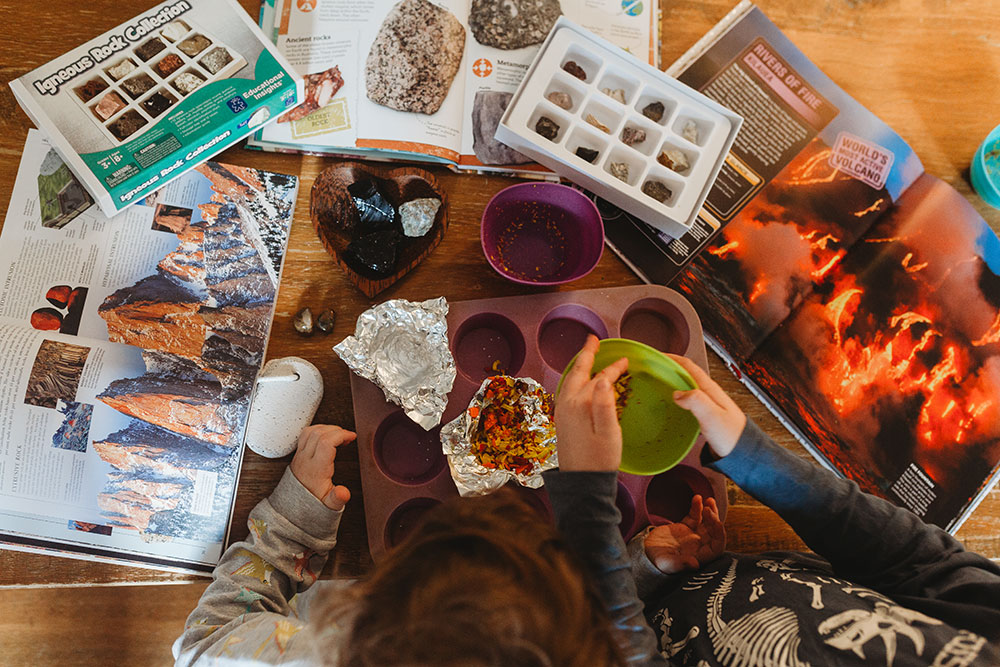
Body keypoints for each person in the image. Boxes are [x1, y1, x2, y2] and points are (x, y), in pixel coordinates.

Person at [175, 336, 1000, 665]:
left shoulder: (296, 652)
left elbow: (206, 638)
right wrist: (642, 558)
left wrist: (290, 524)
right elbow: (925, 565)